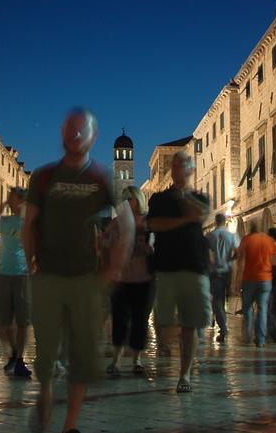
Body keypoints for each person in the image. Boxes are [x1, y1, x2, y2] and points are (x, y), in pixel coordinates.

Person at [23, 108, 133, 433]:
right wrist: (32, 263)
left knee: (82, 356)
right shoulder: (42, 177)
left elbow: (127, 222)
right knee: (45, 353)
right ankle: (44, 390)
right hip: (48, 276)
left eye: (81, 130)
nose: (74, 135)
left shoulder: (102, 177)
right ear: (61, 133)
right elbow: (29, 224)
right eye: (70, 129)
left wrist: (113, 268)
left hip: (86, 278)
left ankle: (70, 423)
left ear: (92, 137)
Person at [146, 151, 211, 393]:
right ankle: (166, 346)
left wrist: (184, 198)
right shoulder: (158, 199)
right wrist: (184, 220)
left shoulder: (199, 198)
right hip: (166, 265)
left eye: (182, 166)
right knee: (164, 320)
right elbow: (154, 224)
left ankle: (184, 374)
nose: (177, 170)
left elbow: (201, 215)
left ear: (190, 170)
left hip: (194, 265)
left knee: (191, 324)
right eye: (174, 166)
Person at [104, 185, 154, 376]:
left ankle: (137, 360)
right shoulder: (116, 223)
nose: (126, 202)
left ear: (139, 200)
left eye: (130, 199)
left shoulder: (148, 222)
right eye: (123, 199)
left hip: (145, 279)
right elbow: (106, 247)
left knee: (140, 322)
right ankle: (115, 362)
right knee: (119, 320)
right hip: (121, 279)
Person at [0, 186, 32, 378]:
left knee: (22, 321)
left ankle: (19, 359)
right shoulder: (4, 221)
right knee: (3, 323)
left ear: (21, 200)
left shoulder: (28, 222)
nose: (8, 200)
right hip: (3, 275)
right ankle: (14, 353)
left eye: (11, 197)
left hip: (22, 275)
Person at [235, 223, 276, 348]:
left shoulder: (246, 239)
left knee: (247, 309)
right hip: (265, 279)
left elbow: (240, 261)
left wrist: (238, 281)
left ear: (250, 229)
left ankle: (247, 337)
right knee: (262, 309)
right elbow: (275, 262)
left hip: (249, 279)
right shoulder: (269, 240)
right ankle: (260, 340)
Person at [205, 213, 238, 344]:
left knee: (217, 301)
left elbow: (206, 254)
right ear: (225, 222)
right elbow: (238, 251)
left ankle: (223, 329)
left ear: (215, 222)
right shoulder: (231, 236)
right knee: (223, 299)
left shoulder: (210, 236)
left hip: (215, 272)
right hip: (228, 271)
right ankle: (222, 326)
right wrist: (230, 260)